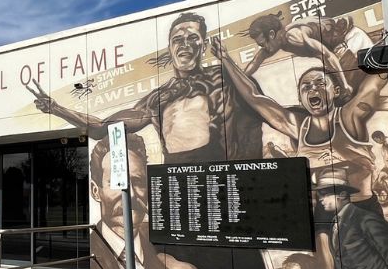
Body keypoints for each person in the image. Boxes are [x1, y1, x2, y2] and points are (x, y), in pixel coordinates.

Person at [26, 11, 263, 163]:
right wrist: (56, 109)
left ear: (203, 45)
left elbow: (257, 101)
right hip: (180, 186)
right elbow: (100, 129)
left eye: (193, 38)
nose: (185, 45)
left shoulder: (226, 78)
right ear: (170, 49)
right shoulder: (157, 100)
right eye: (178, 40)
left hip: (233, 178)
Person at [212, 36, 385, 212]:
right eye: (306, 87)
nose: (313, 89)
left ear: (336, 91)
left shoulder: (348, 118)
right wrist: (225, 59)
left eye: (320, 83)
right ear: (301, 100)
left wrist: (384, 56)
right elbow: (254, 97)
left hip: (361, 209)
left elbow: (371, 87)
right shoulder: (298, 126)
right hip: (322, 213)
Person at [89, 133, 203, 269]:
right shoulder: (89, 255)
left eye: (138, 182)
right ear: (96, 191)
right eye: (117, 183)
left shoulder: (162, 256)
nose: (132, 195)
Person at [242, 13, 374, 98]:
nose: (264, 48)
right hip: (337, 50)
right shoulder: (276, 43)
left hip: (351, 40)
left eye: (263, 43)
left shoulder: (294, 36)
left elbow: (328, 56)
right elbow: (255, 62)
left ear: (271, 34)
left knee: (355, 87)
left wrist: (344, 84)